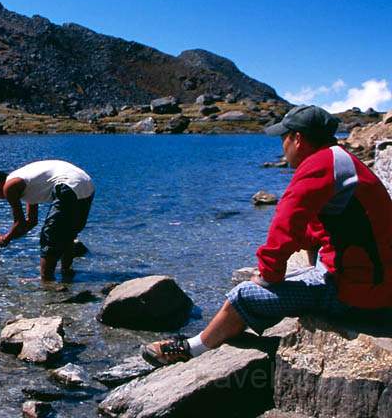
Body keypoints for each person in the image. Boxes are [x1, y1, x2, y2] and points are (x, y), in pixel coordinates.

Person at [141, 105, 392, 366]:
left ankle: (192, 348)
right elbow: (316, 229)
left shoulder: (319, 164)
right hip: (376, 278)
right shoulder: (341, 160)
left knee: (244, 294)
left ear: (297, 138)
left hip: (358, 292)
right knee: (292, 276)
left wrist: (269, 274)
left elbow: (286, 221)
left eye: (284, 137)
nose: (282, 145)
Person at [0, 160, 94, 281]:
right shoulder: (25, 182)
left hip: (68, 184)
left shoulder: (10, 186)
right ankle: (66, 273)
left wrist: (4, 239)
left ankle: (45, 281)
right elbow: (31, 222)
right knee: (67, 232)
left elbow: (19, 223)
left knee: (50, 234)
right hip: (86, 185)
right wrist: (8, 238)